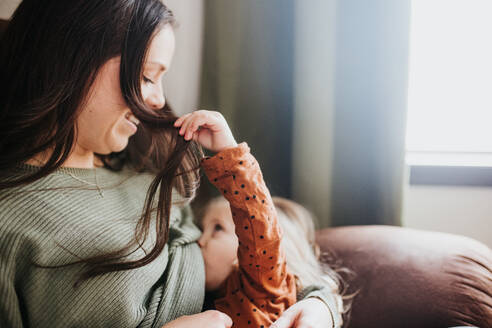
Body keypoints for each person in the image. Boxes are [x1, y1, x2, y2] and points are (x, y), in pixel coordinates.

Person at [0, 1, 340, 327]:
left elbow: (260, 267)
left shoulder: (142, 163)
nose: (159, 100)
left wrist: (318, 303)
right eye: (148, 76)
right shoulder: (12, 224)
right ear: (70, 60)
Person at [197, 194, 347, 328]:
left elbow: (318, 292)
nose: (199, 241)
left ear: (257, 246)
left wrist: (322, 305)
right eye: (201, 229)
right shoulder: (204, 301)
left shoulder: (298, 296)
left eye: (217, 228)